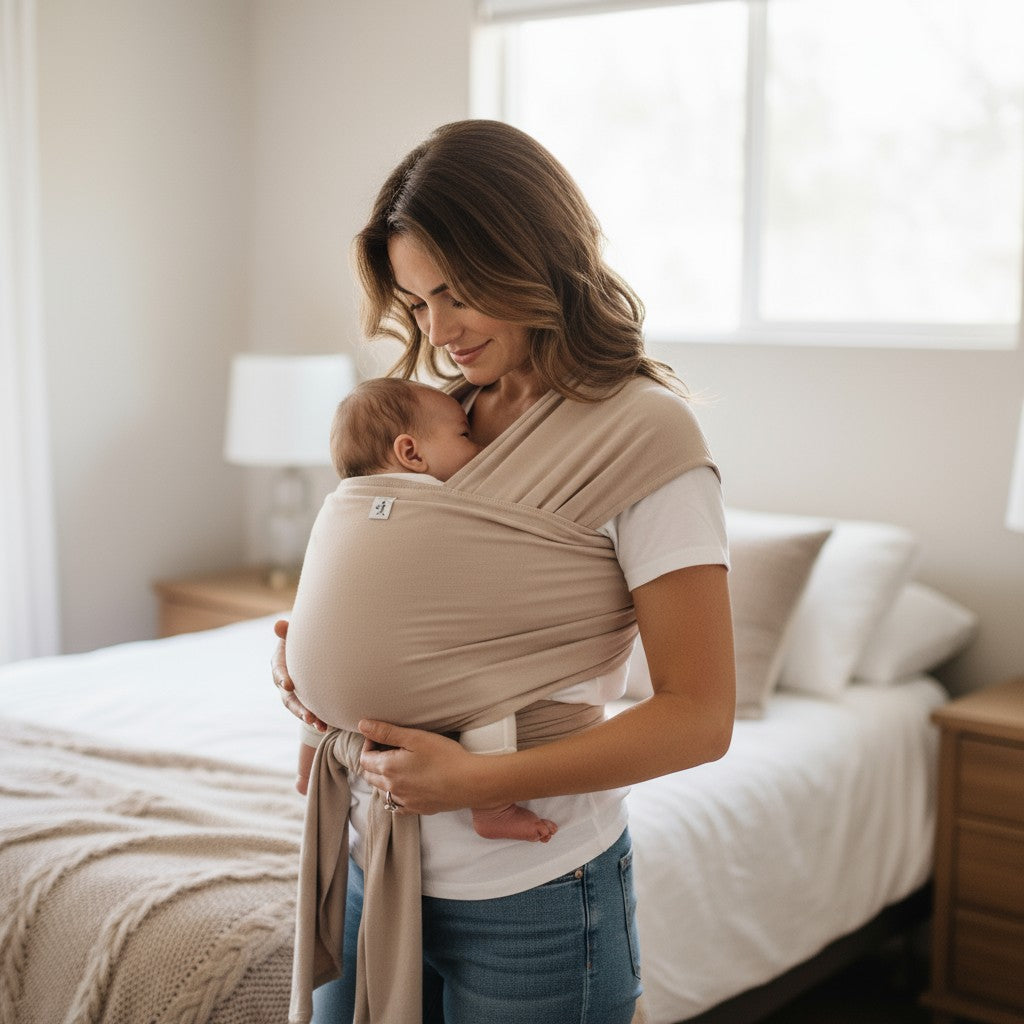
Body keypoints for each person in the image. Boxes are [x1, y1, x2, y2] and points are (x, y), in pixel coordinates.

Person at [273, 119, 735, 1024]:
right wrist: (314, 662)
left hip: (536, 897)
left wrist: (472, 783)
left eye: (458, 293)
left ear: (536, 256)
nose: (438, 333)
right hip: (374, 858)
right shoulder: (434, 420)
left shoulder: (644, 436)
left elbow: (701, 716)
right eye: (415, 306)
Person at [293, 375, 558, 845]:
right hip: (407, 690)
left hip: (316, 689)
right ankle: (492, 807)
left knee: (327, 666)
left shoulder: (337, 508)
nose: (478, 448)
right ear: (411, 454)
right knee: (491, 679)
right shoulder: (448, 507)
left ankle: (307, 766)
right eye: (464, 435)